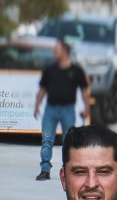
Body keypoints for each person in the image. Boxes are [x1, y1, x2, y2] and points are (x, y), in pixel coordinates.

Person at [35, 40, 90, 179]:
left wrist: (87, 107)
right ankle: (45, 170)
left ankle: (68, 169)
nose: (54, 53)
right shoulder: (50, 70)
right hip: (50, 109)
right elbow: (43, 89)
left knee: (68, 140)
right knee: (47, 138)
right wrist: (37, 104)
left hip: (68, 110)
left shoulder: (76, 71)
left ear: (65, 51)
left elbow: (84, 90)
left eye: (57, 50)